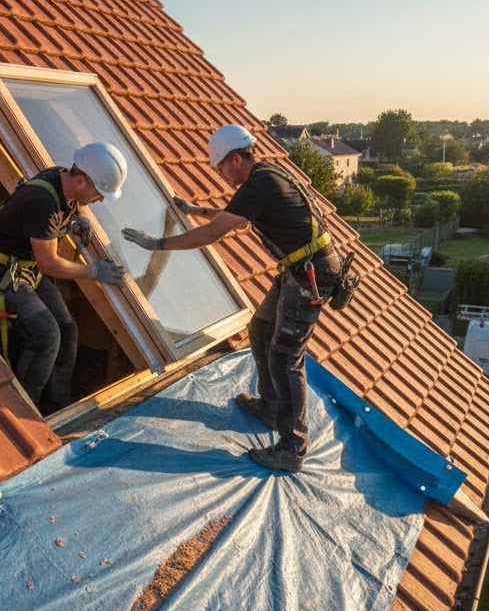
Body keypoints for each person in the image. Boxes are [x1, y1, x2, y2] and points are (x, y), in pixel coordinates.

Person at [121, 124, 340, 473]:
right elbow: (234, 219)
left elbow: (215, 233)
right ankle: (270, 406)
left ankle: (292, 447)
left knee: (286, 358)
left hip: (310, 276)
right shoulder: (265, 177)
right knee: (261, 328)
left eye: (219, 167)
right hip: (298, 270)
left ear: (235, 160)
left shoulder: (259, 184)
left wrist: (158, 244)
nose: (219, 175)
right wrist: (195, 208)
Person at [0, 142, 128, 413]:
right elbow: (49, 264)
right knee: (47, 335)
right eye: (99, 193)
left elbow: (58, 215)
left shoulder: (62, 178)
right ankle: (24, 408)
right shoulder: (42, 202)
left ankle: (57, 405)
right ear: (80, 181)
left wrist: (76, 218)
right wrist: (95, 272)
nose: (101, 199)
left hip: (25, 267)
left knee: (68, 330)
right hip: (2, 273)